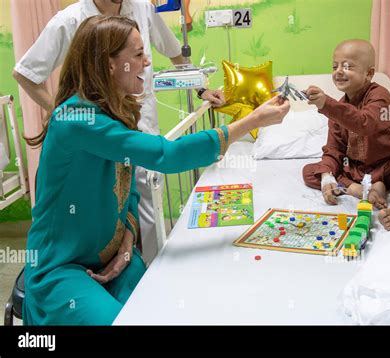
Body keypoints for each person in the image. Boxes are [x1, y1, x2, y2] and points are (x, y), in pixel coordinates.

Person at [23, 15, 290, 325]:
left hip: (114, 259)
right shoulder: (75, 119)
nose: (147, 62)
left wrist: (127, 244)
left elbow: (129, 189)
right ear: (110, 65)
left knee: (170, 308)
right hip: (62, 268)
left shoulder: (118, 110)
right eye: (137, 55)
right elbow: (167, 155)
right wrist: (253, 121)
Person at [13, 0, 225, 264]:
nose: (145, 62)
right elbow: (26, 72)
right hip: (99, 143)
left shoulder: (142, 9)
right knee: (104, 218)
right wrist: (65, 115)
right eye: (138, 56)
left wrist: (200, 88)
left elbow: (174, 52)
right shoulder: (69, 21)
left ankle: (146, 276)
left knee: (145, 218)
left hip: (140, 131)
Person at [302, 39, 390, 231]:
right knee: (312, 171)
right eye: (335, 66)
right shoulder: (337, 109)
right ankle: (364, 189)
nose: (339, 71)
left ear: (368, 73)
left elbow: (364, 123)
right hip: (359, 173)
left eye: (347, 66)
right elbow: (334, 150)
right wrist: (329, 177)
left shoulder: (379, 95)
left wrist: (326, 104)